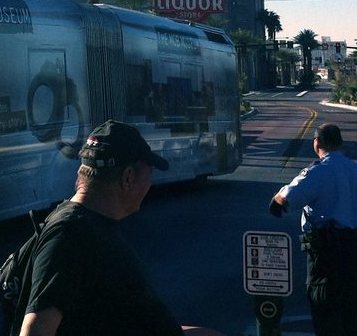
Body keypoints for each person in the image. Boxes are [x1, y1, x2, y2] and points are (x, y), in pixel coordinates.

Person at [19, 120, 225, 336]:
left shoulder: (90, 226)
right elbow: (36, 329)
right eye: (148, 175)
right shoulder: (69, 234)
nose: (149, 185)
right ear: (128, 177)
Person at [269, 123, 357, 336]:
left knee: (325, 311)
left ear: (317, 143)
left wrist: (276, 199)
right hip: (356, 249)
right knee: (354, 311)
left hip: (326, 253)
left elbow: (285, 200)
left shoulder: (317, 172)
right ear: (341, 144)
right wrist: (354, 221)